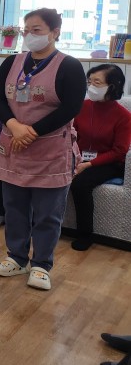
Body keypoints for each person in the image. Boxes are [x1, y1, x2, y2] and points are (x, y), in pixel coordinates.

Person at [0, 8, 86, 291]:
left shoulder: (69, 66)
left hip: (49, 150)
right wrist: (14, 126)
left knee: (47, 214)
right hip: (14, 146)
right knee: (14, 208)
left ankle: (42, 265)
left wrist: (31, 132)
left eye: (37, 30)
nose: (29, 35)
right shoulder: (12, 62)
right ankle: (16, 258)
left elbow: (71, 107)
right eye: (26, 29)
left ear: (55, 32)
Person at [70, 64, 131, 251]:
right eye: (89, 82)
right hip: (80, 157)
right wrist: (74, 158)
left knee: (80, 184)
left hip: (109, 162)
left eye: (97, 82)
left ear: (112, 86)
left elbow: (119, 151)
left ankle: (85, 234)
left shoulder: (124, 116)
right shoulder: (82, 106)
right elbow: (72, 135)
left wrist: (88, 164)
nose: (91, 86)